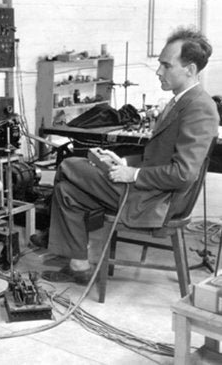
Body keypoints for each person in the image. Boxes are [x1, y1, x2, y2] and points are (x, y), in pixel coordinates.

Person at [39, 27, 219, 284]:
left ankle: (52, 236)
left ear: (190, 70)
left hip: (158, 201)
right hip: (150, 189)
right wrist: (120, 161)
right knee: (67, 191)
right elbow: (156, 156)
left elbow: (183, 173)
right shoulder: (181, 101)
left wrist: (132, 174)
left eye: (166, 66)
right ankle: (78, 265)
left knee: (68, 166)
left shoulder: (200, 107)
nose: (159, 71)